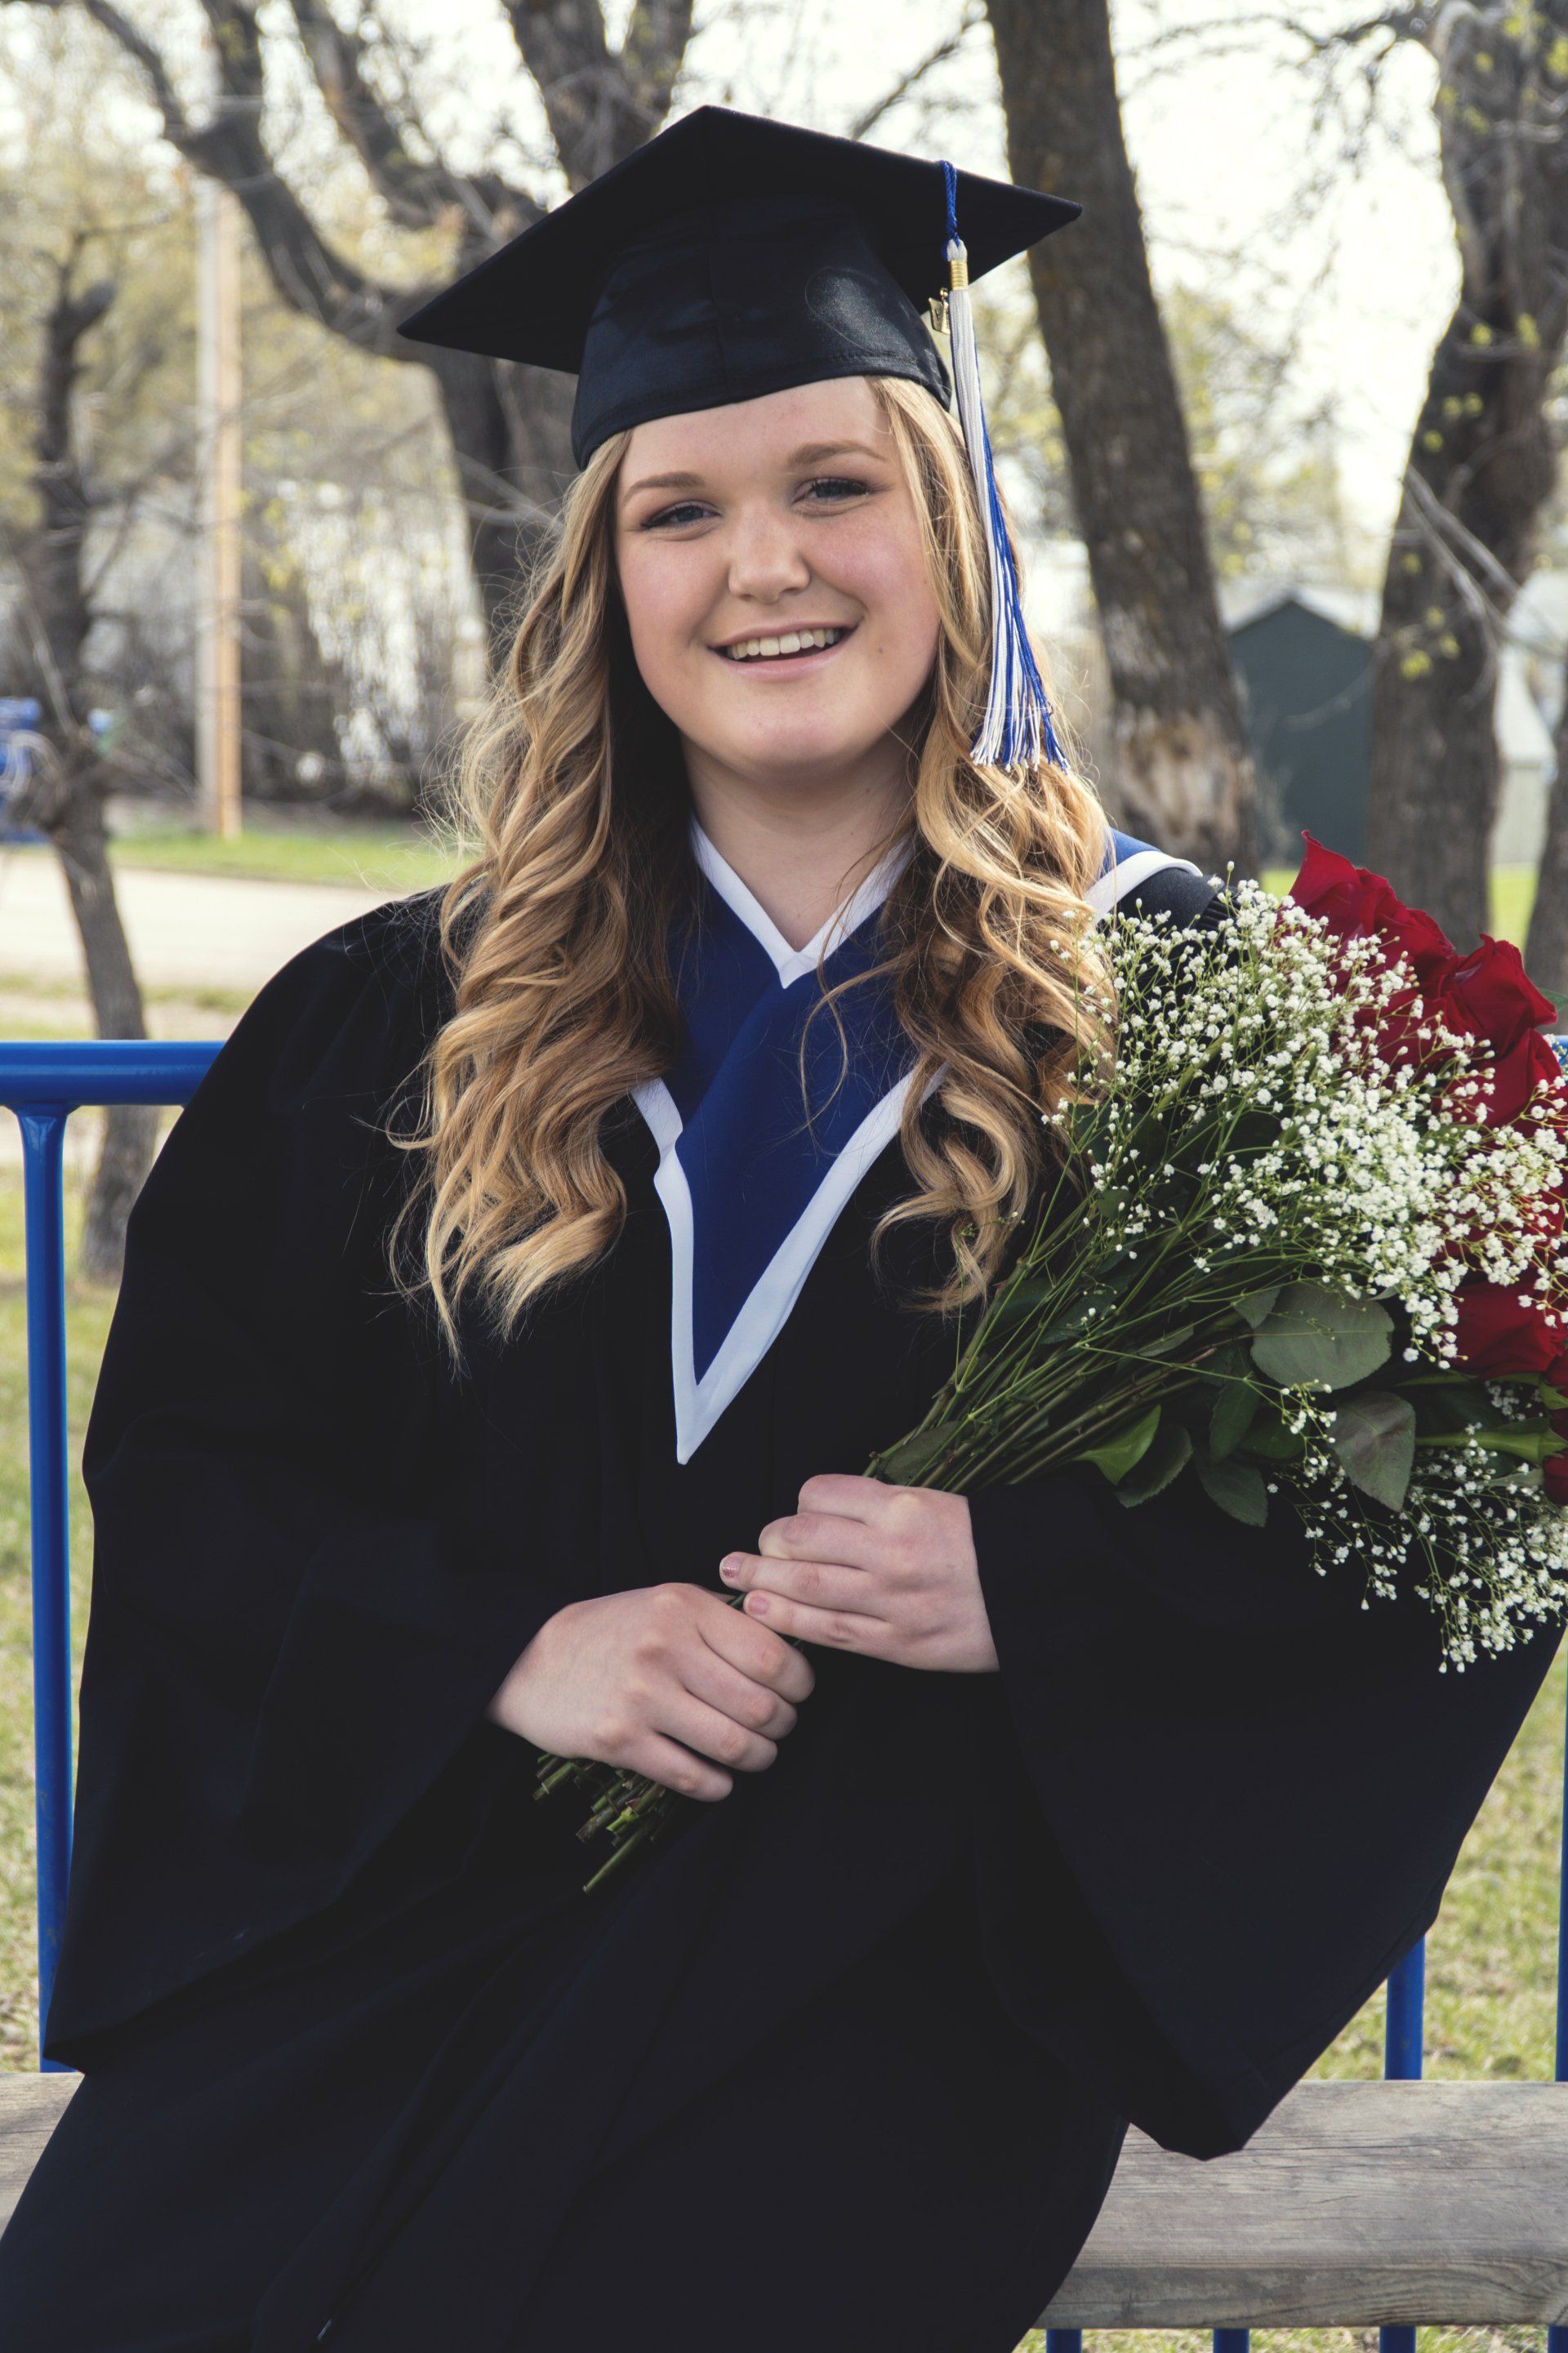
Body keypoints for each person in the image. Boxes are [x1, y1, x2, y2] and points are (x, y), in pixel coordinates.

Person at [0, 105, 1559, 2353]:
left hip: (882, 2008)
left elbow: (1446, 1515)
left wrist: (1037, 1588)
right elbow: (202, 1478)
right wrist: (502, 1649)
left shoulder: (1173, 1012)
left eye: (835, 485)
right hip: (419, 1931)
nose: (765, 568)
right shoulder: (396, 1018)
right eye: (681, 510)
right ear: (603, 577)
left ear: (951, 523)